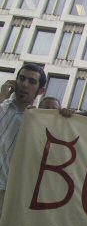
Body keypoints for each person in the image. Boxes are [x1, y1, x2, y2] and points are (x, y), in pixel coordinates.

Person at [0, 63, 47, 216]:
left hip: (5, 192)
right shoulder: (2, 107)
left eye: (32, 81)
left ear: (41, 91)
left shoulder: (39, 124)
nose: (24, 84)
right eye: (21, 79)